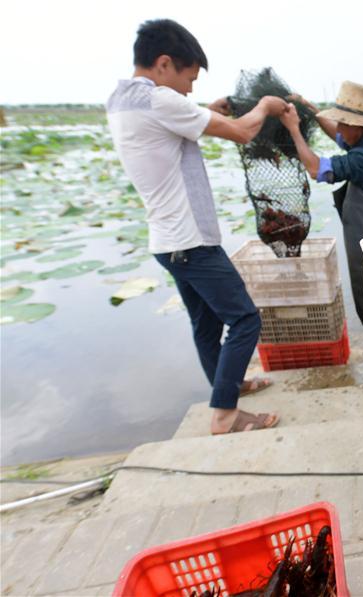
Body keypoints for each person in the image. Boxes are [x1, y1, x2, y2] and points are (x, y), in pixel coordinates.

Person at [106, 19, 285, 434]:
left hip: (167, 241)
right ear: (164, 63)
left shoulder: (123, 99)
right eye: (188, 79)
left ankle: (231, 386)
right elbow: (243, 132)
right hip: (190, 242)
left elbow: (171, 118)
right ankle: (225, 415)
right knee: (244, 320)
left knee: (206, 324)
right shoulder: (157, 102)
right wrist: (267, 106)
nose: (190, 90)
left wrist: (205, 109)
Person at [280, 82, 363, 348]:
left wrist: (293, 129)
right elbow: (338, 135)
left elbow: (316, 169)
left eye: (344, 124)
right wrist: (311, 109)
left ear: (358, 127)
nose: (340, 130)